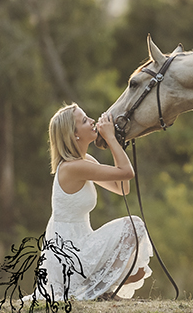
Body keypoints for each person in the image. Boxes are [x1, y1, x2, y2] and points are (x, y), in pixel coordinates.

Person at [35, 103, 153, 302]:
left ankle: (102, 287)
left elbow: (122, 188)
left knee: (135, 240)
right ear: (74, 135)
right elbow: (127, 173)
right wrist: (110, 138)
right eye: (84, 120)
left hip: (82, 242)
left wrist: (116, 143)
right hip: (69, 254)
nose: (92, 121)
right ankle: (102, 289)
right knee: (134, 225)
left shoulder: (85, 161)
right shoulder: (73, 168)